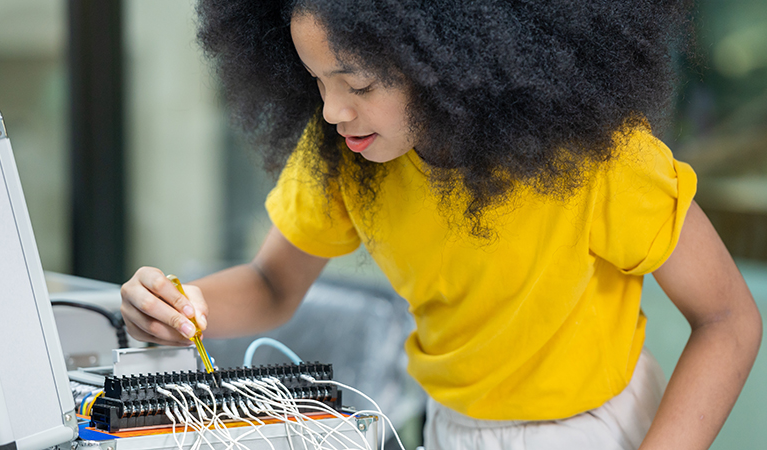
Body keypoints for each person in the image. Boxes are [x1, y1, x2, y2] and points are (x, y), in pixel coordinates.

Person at [120, 1, 762, 448]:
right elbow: (271, 287)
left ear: (451, 60)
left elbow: (730, 321)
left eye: (359, 84)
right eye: (315, 81)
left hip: (595, 430)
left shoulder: (602, 164)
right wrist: (187, 304)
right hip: (448, 427)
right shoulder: (345, 157)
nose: (333, 111)